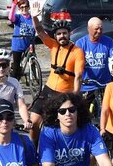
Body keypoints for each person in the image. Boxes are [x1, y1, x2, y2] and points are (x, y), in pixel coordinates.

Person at [28, 15, 84, 146]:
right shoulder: (53, 45)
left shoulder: (77, 52)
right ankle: (33, 148)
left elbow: (78, 76)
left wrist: (75, 94)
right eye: (59, 34)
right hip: (48, 90)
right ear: (55, 36)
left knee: (55, 126)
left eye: (64, 33)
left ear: (69, 34)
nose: (62, 36)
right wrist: (35, 16)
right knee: (34, 121)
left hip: (64, 94)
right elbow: (39, 30)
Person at [75, 17, 113, 113]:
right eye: (96, 29)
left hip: (104, 84)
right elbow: (76, 65)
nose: (99, 31)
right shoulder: (80, 44)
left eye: (101, 29)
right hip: (87, 85)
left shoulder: (108, 41)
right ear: (89, 29)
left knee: (108, 110)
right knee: (84, 112)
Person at [7, 0, 36, 81]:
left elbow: (37, 28)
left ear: (29, 7)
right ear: (19, 9)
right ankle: (13, 83)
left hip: (29, 44)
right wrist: (14, 5)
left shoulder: (32, 18)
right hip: (18, 44)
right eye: (21, 7)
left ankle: (36, 79)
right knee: (16, 68)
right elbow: (10, 18)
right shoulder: (18, 17)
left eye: (26, 7)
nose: (24, 9)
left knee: (33, 62)